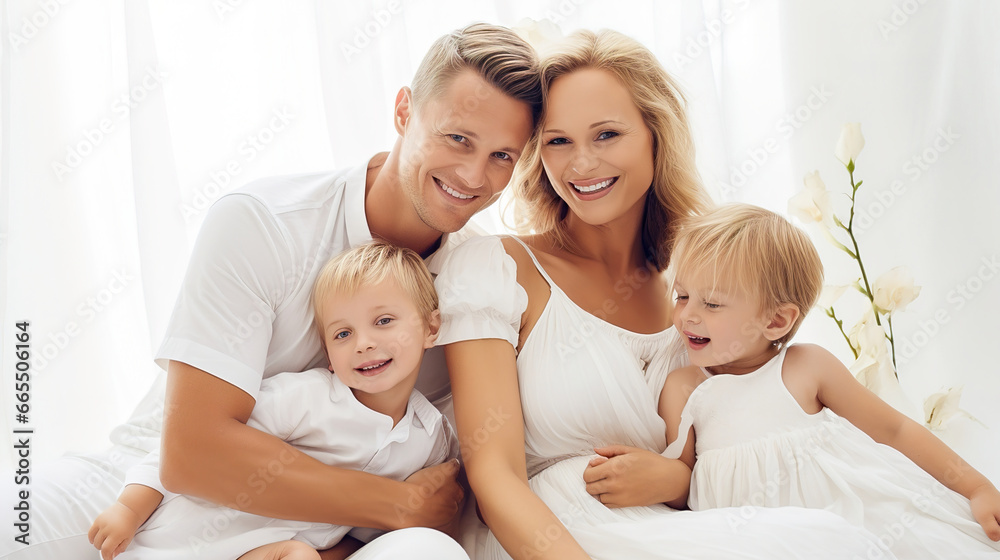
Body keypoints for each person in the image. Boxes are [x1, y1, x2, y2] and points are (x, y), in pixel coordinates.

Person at [0, 23, 540, 560]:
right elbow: (191, 453)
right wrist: (396, 505)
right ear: (403, 111)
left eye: (502, 157)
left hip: (311, 534)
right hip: (149, 490)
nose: (473, 175)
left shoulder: (474, 285)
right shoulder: (265, 222)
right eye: (458, 138)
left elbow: (440, 483)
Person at [435, 29, 894, 559]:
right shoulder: (498, 269)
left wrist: (677, 484)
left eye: (606, 134)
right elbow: (494, 481)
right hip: (551, 537)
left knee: (832, 540)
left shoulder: (706, 284)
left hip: (688, 529)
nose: (580, 164)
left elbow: (746, 448)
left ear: (656, 135)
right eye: (558, 141)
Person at [657, 203, 1000, 559]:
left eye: (711, 304)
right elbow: (683, 485)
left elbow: (895, 430)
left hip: (855, 520)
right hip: (754, 541)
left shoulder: (805, 367)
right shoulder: (683, 389)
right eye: (681, 296)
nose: (687, 315)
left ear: (776, 321)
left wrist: (976, 486)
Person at [87, 242, 463, 560]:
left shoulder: (431, 438)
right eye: (343, 333)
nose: (363, 343)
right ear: (329, 355)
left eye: (383, 321)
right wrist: (128, 510)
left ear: (430, 328)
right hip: (182, 543)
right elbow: (181, 451)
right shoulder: (308, 396)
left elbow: (371, 533)